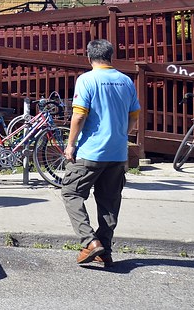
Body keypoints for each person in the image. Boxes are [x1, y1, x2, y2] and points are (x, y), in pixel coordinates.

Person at [61, 38, 140, 267]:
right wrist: (122, 134)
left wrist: (71, 144)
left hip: (91, 152)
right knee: (109, 202)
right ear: (110, 55)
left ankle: (91, 242)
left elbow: (79, 115)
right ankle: (105, 252)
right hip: (117, 153)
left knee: (70, 192)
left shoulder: (87, 80)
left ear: (89, 56)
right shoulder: (126, 81)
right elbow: (134, 115)